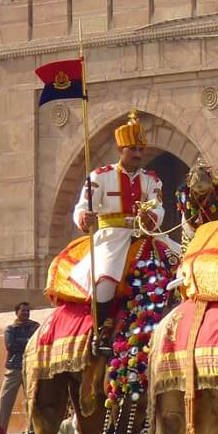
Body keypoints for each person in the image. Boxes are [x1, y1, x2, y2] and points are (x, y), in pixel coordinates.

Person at [70, 110, 163, 356]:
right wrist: (85, 217)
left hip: (143, 235)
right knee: (106, 280)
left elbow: (159, 208)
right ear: (120, 149)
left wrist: (152, 217)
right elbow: (81, 207)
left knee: (177, 265)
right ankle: (99, 333)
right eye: (133, 149)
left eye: (141, 149)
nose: (138, 154)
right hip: (111, 238)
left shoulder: (152, 180)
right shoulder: (100, 177)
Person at [0, 302, 39, 431]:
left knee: (32, 401)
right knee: (5, 400)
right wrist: (28, 342)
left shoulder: (35, 327)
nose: (26, 313)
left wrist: (22, 342)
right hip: (14, 367)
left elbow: (37, 343)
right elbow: (11, 346)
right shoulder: (11, 329)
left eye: (28, 311)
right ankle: (0, 431)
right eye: (23, 311)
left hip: (31, 367)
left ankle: (32, 431)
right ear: (17, 313)